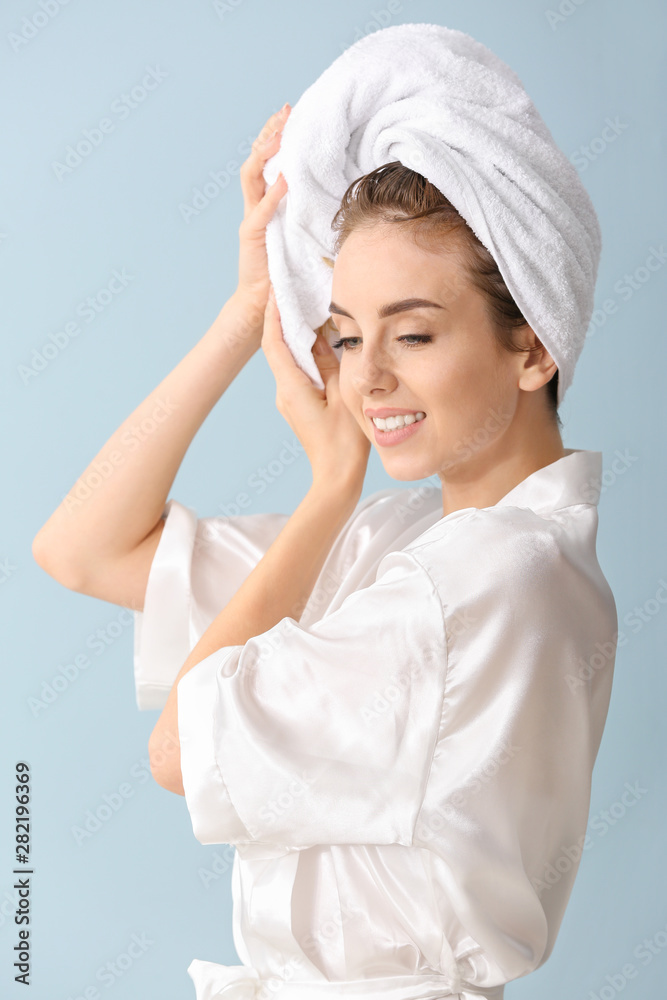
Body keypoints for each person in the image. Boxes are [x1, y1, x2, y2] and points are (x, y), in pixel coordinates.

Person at [33, 101, 619, 1000]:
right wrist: (248, 309)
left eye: (413, 333)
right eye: (345, 334)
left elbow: (177, 752)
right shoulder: (406, 539)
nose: (366, 375)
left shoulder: (483, 577)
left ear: (531, 348)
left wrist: (325, 492)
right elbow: (83, 548)